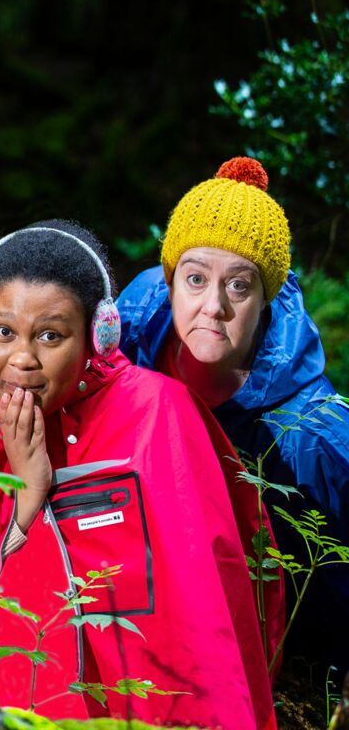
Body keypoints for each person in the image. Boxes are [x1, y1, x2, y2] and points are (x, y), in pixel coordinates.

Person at [0, 221, 282, 728]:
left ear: (98, 336)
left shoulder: (158, 413)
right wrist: (27, 494)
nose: (22, 359)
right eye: (3, 332)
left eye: (51, 335)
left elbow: (209, 610)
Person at [117, 156, 349, 670]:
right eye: (195, 279)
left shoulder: (314, 436)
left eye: (239, 285)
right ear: (170, 280)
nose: (214, 306)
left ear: (266, 298)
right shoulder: (123, 344)